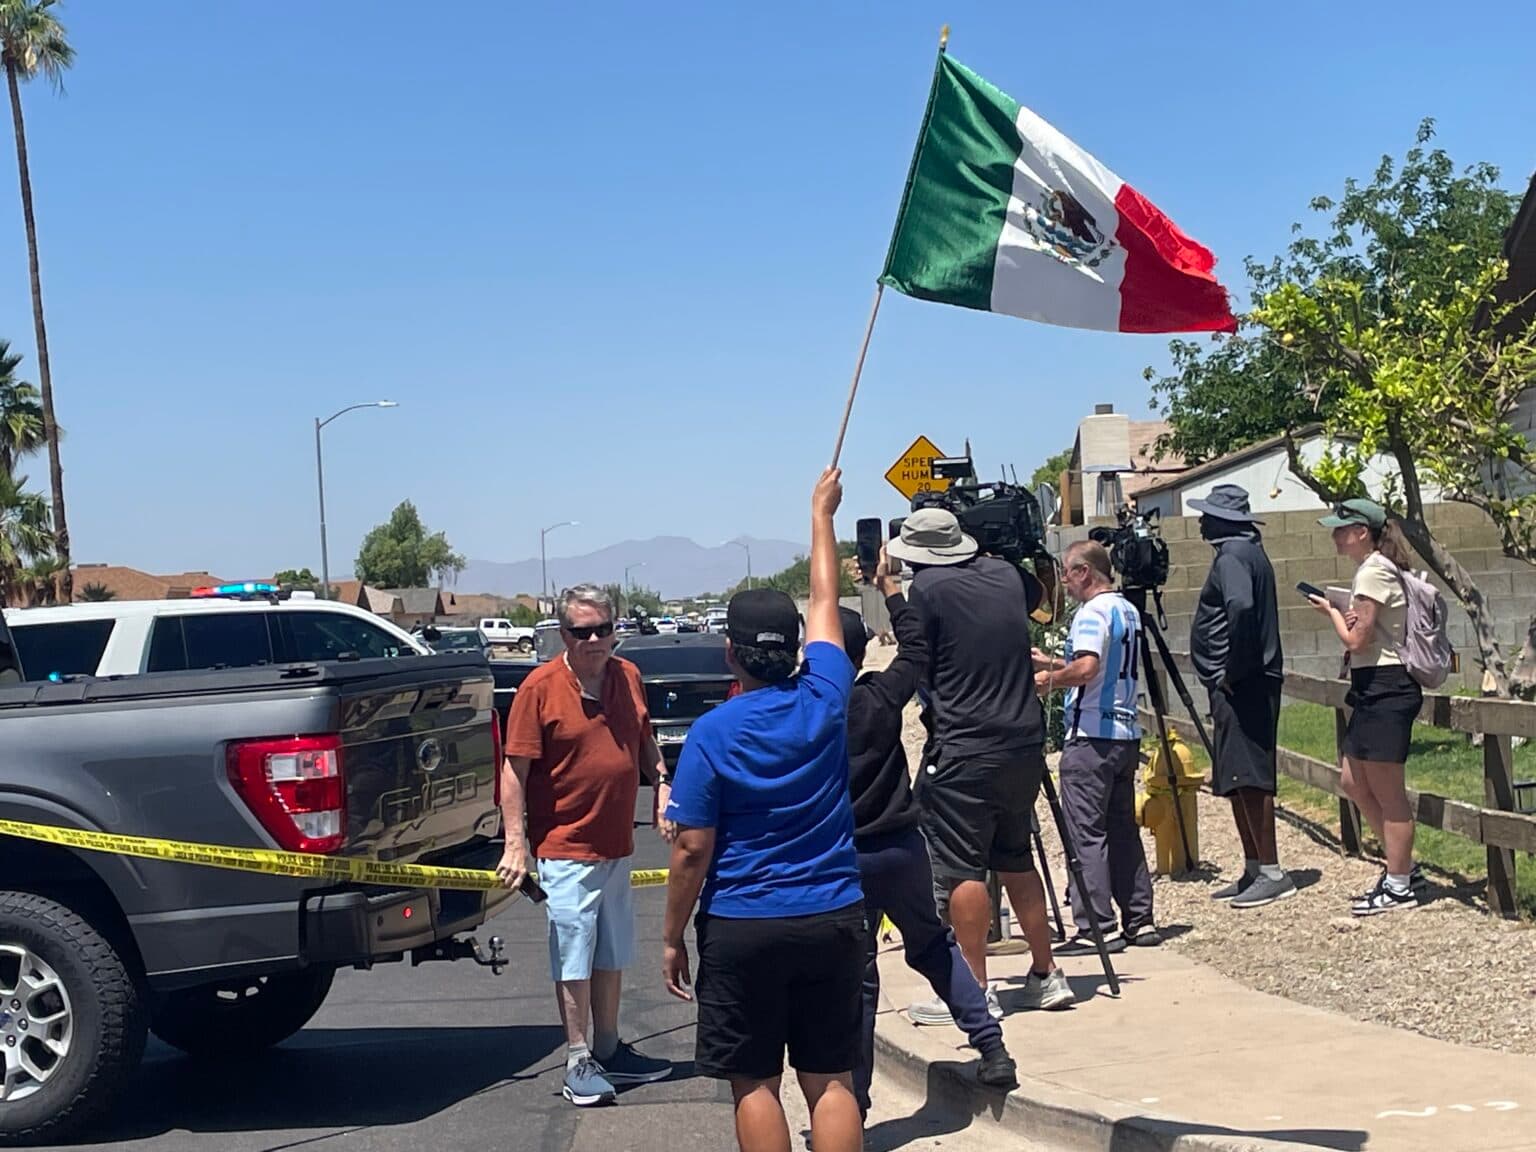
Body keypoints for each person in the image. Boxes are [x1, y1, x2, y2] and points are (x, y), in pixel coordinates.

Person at [661, 468, 866, 1152]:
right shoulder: (827, 698)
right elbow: (827, 598)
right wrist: (821, 515)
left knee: (754, 1082)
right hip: (833, 916)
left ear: (731, 653)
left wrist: (671, 934)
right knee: (831, 1078)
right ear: (796, 646)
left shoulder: (713, 733)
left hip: (744, 926)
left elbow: (691, 848)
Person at [841, 547, 1017, 1118]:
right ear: (860, 650)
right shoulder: (877, 697)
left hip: (846, 857)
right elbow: (916, 649)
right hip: (901, 846)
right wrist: (891, 589)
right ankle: (990, 1047)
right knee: (934, 947)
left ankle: (856, 1106)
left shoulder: (808, 710)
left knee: (860, 981)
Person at [889, 508, 1073, 1020]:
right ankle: (1046, 972)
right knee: (1015, 856)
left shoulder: (928, 591)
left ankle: (974, 989)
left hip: (964, 748)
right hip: (1022, 743)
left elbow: (914, 652)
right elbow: (1044, 601)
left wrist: (889, 594)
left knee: (962, 868)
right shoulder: (1006, 575)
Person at [496, 584, 671, 1108]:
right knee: (574, 953)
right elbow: (514, 770)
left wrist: (662, 782)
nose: (595, 640)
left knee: (612, 950)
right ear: (563, 634)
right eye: (581, 631)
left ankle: (611, 1049)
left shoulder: (628, 676)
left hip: (618, 845)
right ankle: (578, 1058)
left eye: (603, 629)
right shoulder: (539, 687)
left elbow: (643, 739)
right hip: (565, 847)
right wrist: (515, 844)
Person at [1032, 540, 1159, 952]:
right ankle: (1139, 919)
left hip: (1089, 737)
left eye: (1067, 573)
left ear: (1085, 572)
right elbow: (1103, 668)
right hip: (1124, 733)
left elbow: (1086, 670)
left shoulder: (1090, 613)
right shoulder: (1126, 610)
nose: (1065, 583)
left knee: (1085, 833)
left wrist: (1047, 681)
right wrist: (1051, 663)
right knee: (1123, 829)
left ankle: (1095, 926)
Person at [1311, 499, 1427, 914]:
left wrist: (1332, 613)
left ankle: (1399, 884)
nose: (1335, 535)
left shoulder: (1375, 570)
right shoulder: (1371, 569)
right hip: (1371, 685)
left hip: (1387, 685)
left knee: (1388, 791)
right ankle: (1402, 867)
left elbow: (1356, 640)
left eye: (1342, 528)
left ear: (1363, 531)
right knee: (1352, 780)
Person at [1187, 484, 1292, 909]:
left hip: (1245, 682)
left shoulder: (1232, 555)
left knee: (1249, 777)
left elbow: (1242, 607)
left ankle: (1270, 869)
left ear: (1222, 521)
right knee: (1234, 775)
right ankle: (1253, 866)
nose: (1200, 522)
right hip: (1245, 680)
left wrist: (1233, 669)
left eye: (1207, 515)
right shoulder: (1246, 553)